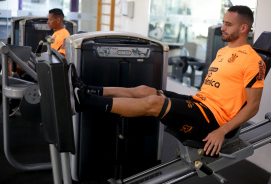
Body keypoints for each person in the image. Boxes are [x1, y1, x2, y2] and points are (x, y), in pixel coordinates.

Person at [69, 5, 265, 156]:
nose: (222, 28)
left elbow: (253, 107)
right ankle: (88, 90)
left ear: (243, 28)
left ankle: (84, 101)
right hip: (200, 103)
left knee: (154, 102)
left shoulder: (253, 62)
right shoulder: (223, 51)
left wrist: (222, 132)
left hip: (213, 120)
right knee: (146, 90)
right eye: (223, 22)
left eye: (228, 25)